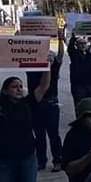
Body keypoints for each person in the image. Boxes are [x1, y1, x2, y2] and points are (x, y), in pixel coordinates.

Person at [28, 37, 65, 172]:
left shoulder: (54, 67)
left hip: (50, 103)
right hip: (35, 103)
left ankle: (58, 160)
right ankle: (41, 160)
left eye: (51, 57)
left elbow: (61, 55)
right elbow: (21, 54)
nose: (49, 58)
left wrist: (60, 40)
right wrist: (20, 38)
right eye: (46, 56)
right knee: (39, 135)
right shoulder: (32, 67)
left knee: (53, 134)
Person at [69, 34, 91, 104]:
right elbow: (70, 47)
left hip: (90, 84)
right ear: (77, 45)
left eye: (84, 43)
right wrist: (74, 37)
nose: (83, 45)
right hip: (78, 85)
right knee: (80, 104)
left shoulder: (89, 55)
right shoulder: (74, 54)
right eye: (81, 43)